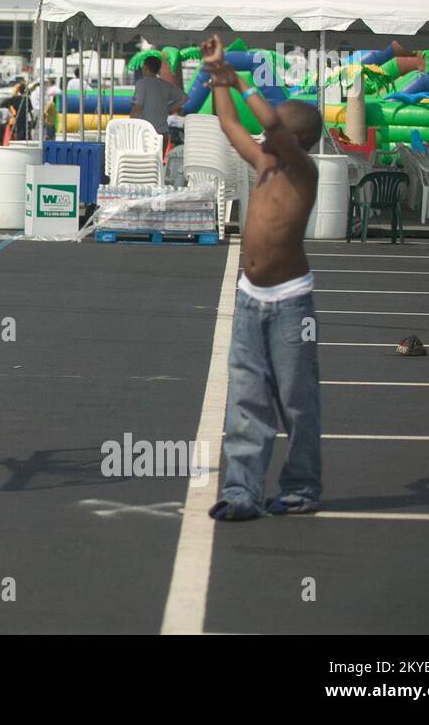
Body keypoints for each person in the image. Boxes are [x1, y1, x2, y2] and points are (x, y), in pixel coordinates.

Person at [200, 34, 324, 523]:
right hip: (251, 299)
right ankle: (242, 492)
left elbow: (270, 121)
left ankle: (301, 488)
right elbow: (229, 121)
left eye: (273, 135)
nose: (262, 136)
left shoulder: (302, 171)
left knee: (297, 401)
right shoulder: (265, 163)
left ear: (296, 142)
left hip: (290, 304)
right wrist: (216, 75)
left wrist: (243, 80)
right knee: (246, 398)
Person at [130, 55, 186, 150]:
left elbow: (137, 108)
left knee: (143, 162)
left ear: (146, 68)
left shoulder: (141, 84)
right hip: (162, 132)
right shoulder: (165, 85)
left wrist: (130, 125)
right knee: (158, 162)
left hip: (145, 132)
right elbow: (184, 98)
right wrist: (169, 108)